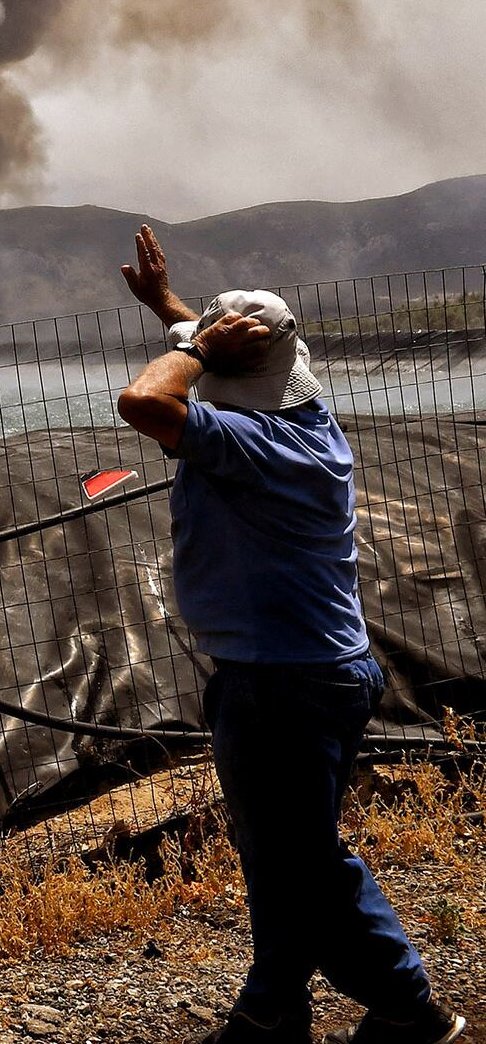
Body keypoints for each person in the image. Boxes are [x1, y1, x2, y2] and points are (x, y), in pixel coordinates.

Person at [115, 226, 464, 1044]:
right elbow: (213, 354)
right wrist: (171, 307)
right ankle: (272, 1014)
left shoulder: (258, 444)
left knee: (302, 862)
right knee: (281, 853)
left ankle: (412, 1008)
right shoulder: (305, 417)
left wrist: (196, 342)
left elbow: (143, 402)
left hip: (285, 683)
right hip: (298, 671)